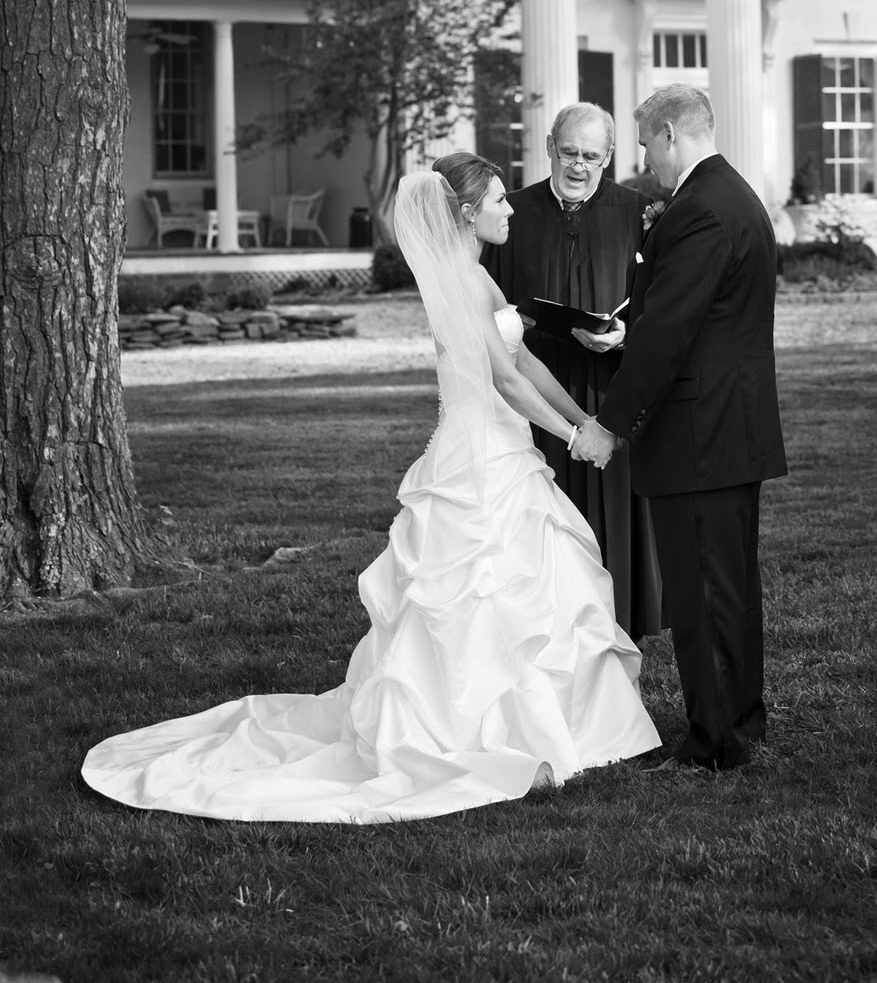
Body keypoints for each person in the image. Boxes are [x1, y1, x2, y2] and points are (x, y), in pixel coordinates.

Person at [82, 153, 659, 824]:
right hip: (479, 454)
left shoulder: (476, 279)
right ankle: (478, 731)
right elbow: (502, 382)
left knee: (526, 585)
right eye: (499, 201)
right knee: (481, 588)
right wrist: (570, 437)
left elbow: (524, 358)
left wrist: (587, 418)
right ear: (466, 213)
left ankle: (554, 722)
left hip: (504, 448)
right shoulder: (460, 284)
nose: (510, 210)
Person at [573, 85, 788, 773]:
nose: (645, 161)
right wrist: (628, 332)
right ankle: (738, 720)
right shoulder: (734, 197)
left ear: (668, 133)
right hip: (729, 423)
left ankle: (715, 741)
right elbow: (691, 316)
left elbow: (669, 335)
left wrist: (610, 424)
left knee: (701, 590)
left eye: (643, 144)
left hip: (699, 430)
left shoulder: (699, 209)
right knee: (726, 583)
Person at [481, 103, 663, 641]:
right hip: (534, 387)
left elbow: (662, 299)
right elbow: (488, 307)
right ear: (549, 148)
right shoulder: (511, 213)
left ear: (608, 157)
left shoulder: (639, 212)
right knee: (545, 510)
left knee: (614, 508)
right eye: (569, 153)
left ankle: (617, 624)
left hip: (614, 384)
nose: (578, 166)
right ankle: (547, 629)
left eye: (591, 156)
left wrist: (625, 331)